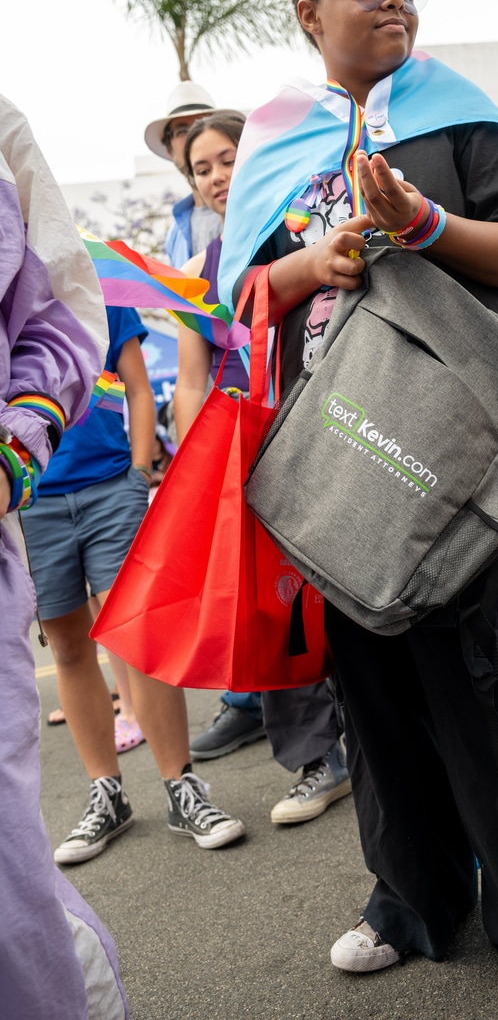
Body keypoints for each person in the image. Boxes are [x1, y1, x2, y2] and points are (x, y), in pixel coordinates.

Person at [219, 0, 498, 1012]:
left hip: (478, 459)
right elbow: (247, 297)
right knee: (381, 697)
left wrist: (423, 218)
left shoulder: (458, 120)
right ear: (308, 12)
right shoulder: (276, 150)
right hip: (349, 463)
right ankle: (409, 900)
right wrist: (316, 256)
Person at [22, 301, 246, 864]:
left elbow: (140, 389)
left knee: (139, 635)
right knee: (70, 646)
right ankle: (108, 794)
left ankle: (182, 787)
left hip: (109, 489)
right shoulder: (8, 306)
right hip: (30, 503)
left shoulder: (97, 292)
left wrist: (139, 473)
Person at [177, 109, 351, 823]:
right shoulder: (201, 270)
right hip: (254, 447)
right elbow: (191, 379)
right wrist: (201, 476)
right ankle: (317, 759)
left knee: (352, 588)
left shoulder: (311, 219)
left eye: (228, 159)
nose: (218, 177)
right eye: (202, 169)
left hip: (337, 431)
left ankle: (383, 741)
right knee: (274, 605)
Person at [1, 93, 129, 1017]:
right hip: (43, 517)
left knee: (125, 636)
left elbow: (62, 314)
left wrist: (17, 446)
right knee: (73, 646)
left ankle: (173, 782)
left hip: (85, 488)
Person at [144, 81, 220, 266]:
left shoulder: (246, 208)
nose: (194, 135)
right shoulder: (175, 235)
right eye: (182, 131)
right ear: (169, 149)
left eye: (201, 124)